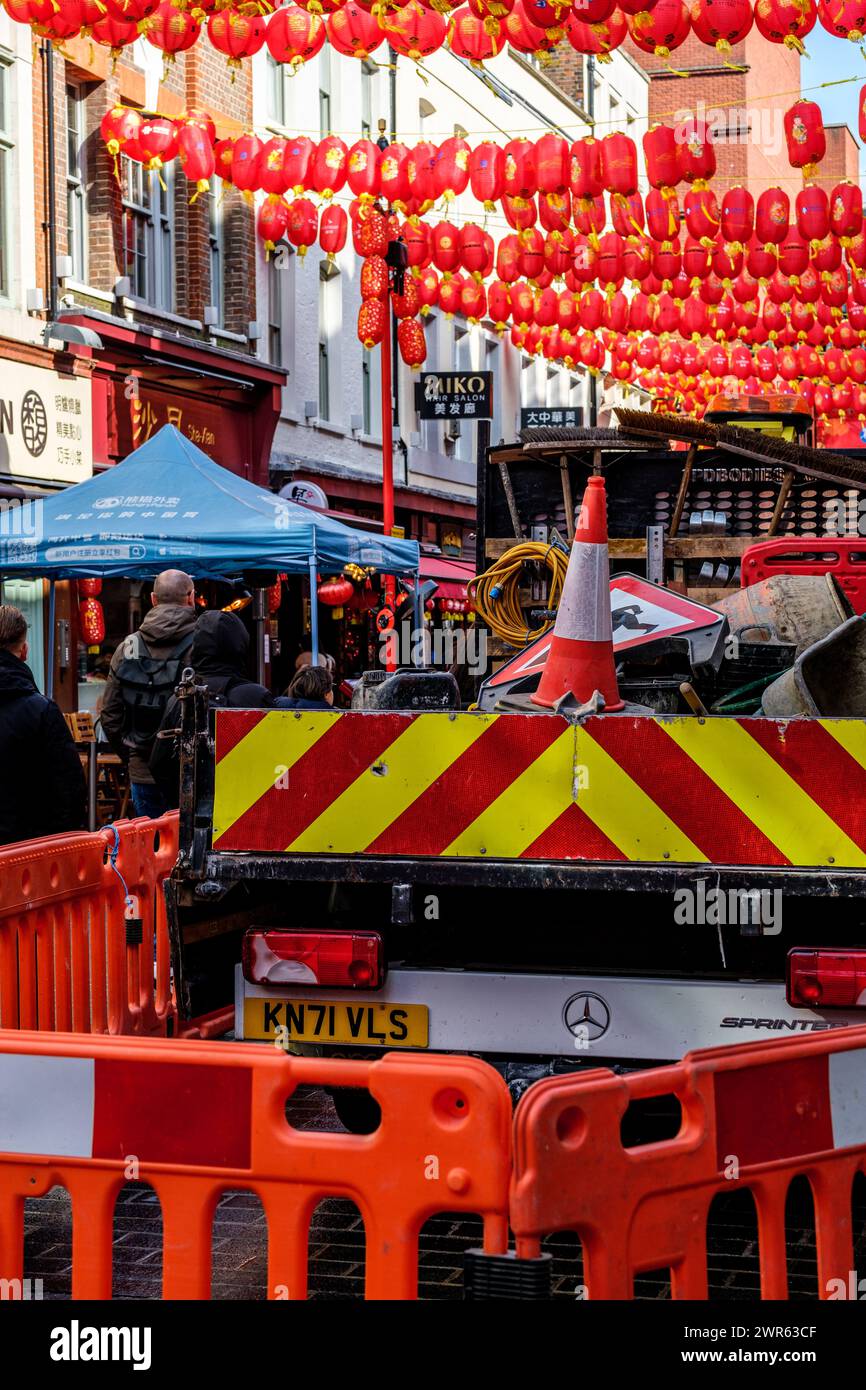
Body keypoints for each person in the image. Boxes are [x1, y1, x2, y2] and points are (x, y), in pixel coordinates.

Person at [150, 609, 274, 809]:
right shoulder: (255, 697)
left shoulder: (180, 698)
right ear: (240, 644)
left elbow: (158, 762)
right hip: (246, 812)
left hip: (191, 816)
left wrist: (184, 799)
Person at [100, 569, 197, 819]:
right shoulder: (202, 643)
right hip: (188, 769)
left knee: (150, 849)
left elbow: (110, 714)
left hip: (142, 770)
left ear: (153, 599)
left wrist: (132, 755)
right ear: (191, 597)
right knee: (189, 849)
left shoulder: (127, 647)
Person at [0, 605, 86, 846]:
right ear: (24, 651)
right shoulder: (42, 710)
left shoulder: (41, 709)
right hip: (30, 846)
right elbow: (69, 789)